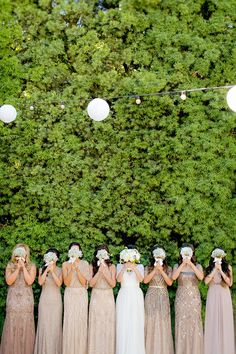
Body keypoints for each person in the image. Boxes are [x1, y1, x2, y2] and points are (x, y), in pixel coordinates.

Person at [0, 243, 36, 354]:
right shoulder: (10, 265)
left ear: (26, 254)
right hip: (13, 301)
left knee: (25, 326)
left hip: (26, 300)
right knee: (12, 325)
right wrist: (17, 268)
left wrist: (23, 267)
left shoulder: (32, 266)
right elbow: (9, 281)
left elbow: (29, 281)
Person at [172, 243, 204, 354]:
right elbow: (173, 277)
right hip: (181, 298)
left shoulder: (198, 266)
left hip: (194, 298)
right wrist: (183, 264)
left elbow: (201, 277)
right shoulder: (177, 266)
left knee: (194, 323)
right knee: (181, 323)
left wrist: (190, 263)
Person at [204, 248, 235, 354]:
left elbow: (230, 283)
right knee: (213, 320)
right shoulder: (209, 268)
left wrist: (221, 270)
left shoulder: (228, 267)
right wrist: (215, 270)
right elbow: (206, 281)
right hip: (213, 294)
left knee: (224, 320)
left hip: (224, 295)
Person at [144, 246, 174, 354]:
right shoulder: (148, 267)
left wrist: (161, 271)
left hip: (163, 295)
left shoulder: (169, 268)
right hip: (151, 295)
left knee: (163, 322)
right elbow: (145, 281)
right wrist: (155, 270)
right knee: (150, 321)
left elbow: (170, 283)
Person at [116, 245, 145, 354]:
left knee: (135, 321)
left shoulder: (140, 266)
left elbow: (141, 279)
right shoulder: (119, 266)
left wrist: (133, 267)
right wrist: (124, 267)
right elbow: (118, 280)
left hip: (136, 295)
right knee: (123, 322)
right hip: (124, 294)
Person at [62, 242, 91, 354]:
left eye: (76, 249)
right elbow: (67, 283)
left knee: (80, 322)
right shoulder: (65, 264)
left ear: (80, 252)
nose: (74, 251)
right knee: (70, 322)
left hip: (81, 294)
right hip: (70, 294)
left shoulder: (85, 263)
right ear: (69, 252)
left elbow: (84, 282)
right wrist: (71, 268)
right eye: (72, 249)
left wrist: (77, 269)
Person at [88, 245, 116, 354]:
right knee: (96, 324)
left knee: (107, 324)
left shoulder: (112, 267)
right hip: (96, 296)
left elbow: (113, 284)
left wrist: (105, 271)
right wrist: (99, 272)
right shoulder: (92, 266)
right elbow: (91, 284)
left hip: (108, 297)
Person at [34, 248, 63, 354]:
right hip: (44, 301)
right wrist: (46, 269)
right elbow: (40, 282)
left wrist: (52, 271)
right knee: (44, 325)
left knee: (55, 326)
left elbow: (59, 284)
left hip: (56, 301)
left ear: (57, 258)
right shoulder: (42, 269)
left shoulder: (60, 269)